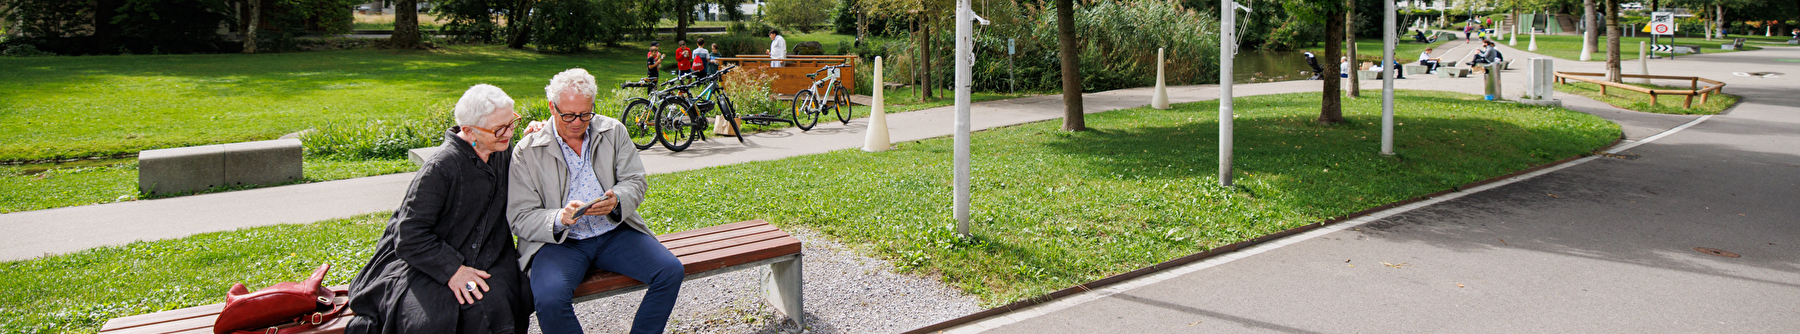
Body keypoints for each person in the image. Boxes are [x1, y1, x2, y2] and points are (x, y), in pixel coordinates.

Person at [344, 84, 532, 334]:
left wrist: (534, 133)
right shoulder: (440, 168)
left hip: (487, 251)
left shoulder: (499, 149)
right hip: (424, 259)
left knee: (498, 302)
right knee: (431, 321)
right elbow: (409, 236)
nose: (509, 133)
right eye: (500, 128)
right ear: (469, 131)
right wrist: (453, 270)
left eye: (512, 123)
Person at [508, 69, 683, 334]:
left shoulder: (613, 131)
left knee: (670, 271)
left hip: (614, 233)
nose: (577, 122)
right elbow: (519, 215)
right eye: (568, 115)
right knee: (550, 298)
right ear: (551, 108)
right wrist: (558, 218)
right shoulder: (527, 150)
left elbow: (635, 181)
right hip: (560, 244)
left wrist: (617, 200)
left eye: (585, 114)